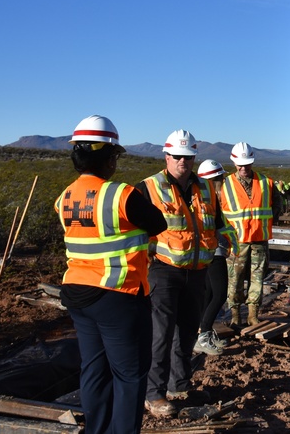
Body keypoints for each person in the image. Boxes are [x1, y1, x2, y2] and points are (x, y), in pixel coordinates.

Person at [55, 115, 167, 434]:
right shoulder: (121, 195)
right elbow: (158, 223)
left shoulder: (63, 198)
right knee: (130, 376)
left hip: (78, 294)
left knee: (94, 371)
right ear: (108, 156)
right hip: (117, 296)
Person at [137, 130, 223, 418]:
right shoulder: (148, 188)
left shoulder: (207, 189)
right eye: (177, 156)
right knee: (161, 334)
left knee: (186, 333)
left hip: (197, 271)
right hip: (164, 271)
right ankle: (154, 394)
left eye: (188, 157)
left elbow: (217, 225)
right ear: (166, 156)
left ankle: (180, 385)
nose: (183, 161)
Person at [221, 142, 283, 327]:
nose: (243, 167)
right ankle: (235, 315)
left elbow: (277, 207)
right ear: (234, 163)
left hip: (259, 241)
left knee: (257, 279)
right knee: (235, 280)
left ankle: (253, 315)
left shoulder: (266, 182)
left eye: (246, 163)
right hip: (236, 243)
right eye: (240, 164)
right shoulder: (225, 185)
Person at [193, 159, 232, 357]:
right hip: (213, 253)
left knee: (208, 294)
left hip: (210, 252)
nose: (223, 181)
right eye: (220, 178)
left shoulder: (205, 199)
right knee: (219, 294)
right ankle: (204, 334)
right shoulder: (206, 201)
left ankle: (202, 332)